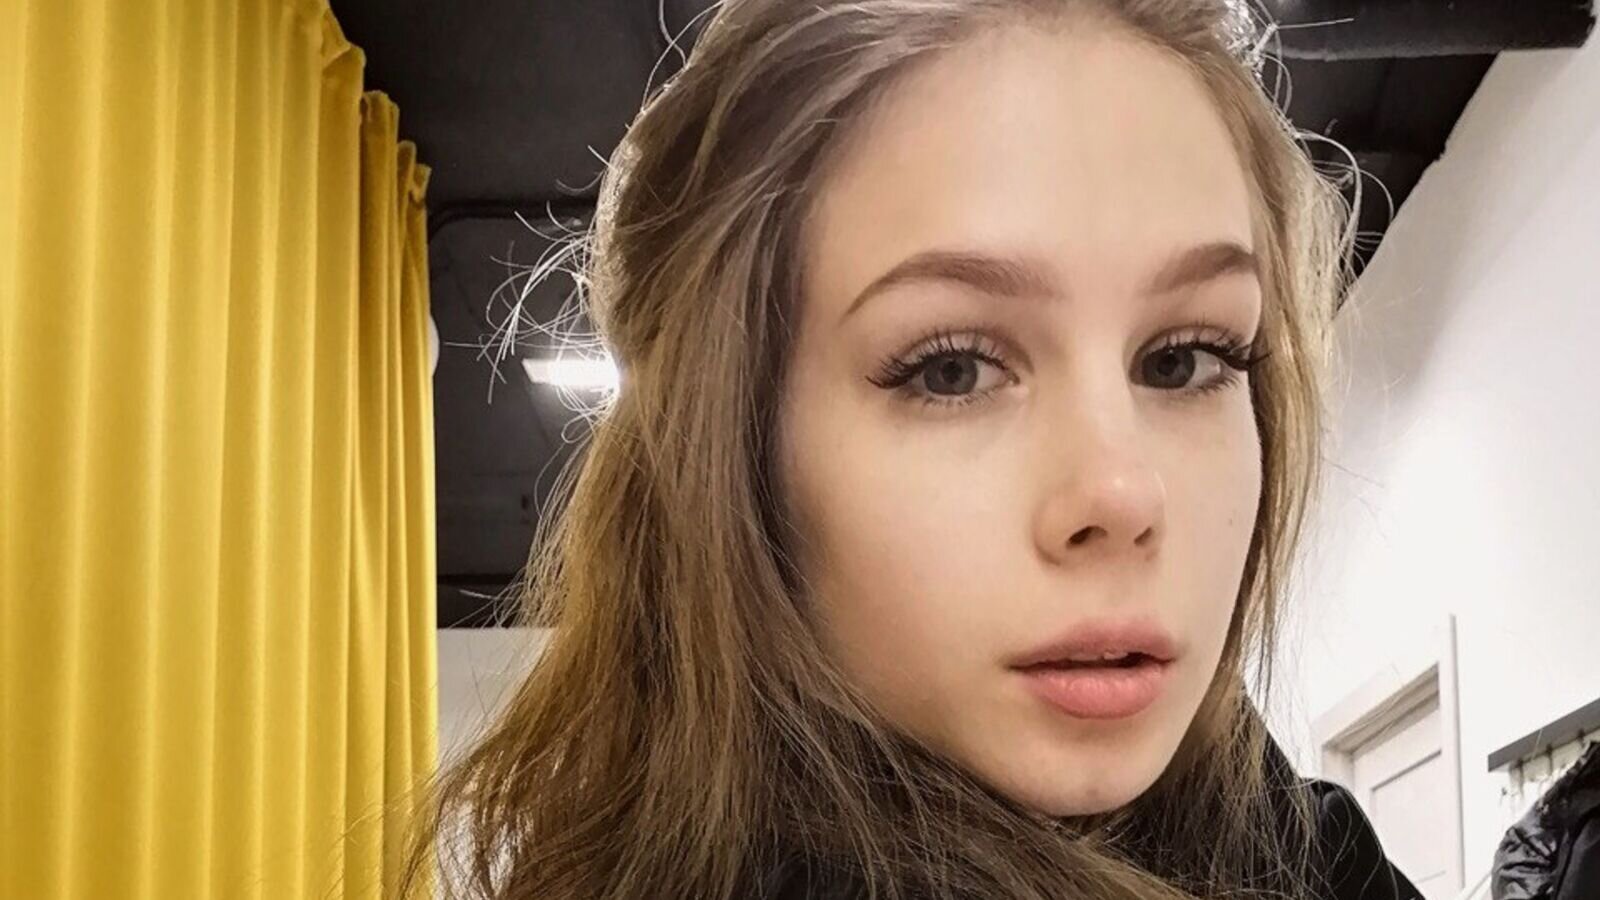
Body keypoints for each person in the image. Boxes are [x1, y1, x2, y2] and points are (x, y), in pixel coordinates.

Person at [402, 1, 1424, 897]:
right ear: (736, 458)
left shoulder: (1305, 849)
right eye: (952, 370)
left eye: (1183, 358)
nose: (1121, 492)